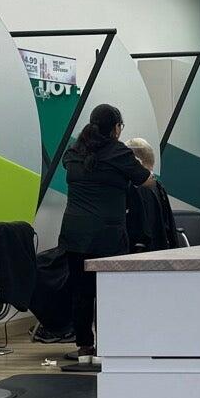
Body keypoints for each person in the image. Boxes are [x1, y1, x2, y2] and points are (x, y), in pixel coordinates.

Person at [58, 103, 152, 364]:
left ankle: (84, 349)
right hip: (107, 235)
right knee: (109, 292)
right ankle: (107, 346)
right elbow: (145, 179)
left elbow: (72, 166)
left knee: (81, 292)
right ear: (115, 128)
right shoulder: (118, 152)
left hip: (75, 233)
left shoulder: (74, 151)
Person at [124, 138, 180, 252]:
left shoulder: (136, 188)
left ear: (136, 161)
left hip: (138, 255)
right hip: (160, 251)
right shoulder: (157, 186)